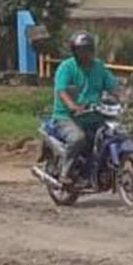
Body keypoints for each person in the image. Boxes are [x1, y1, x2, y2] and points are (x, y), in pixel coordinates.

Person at [52, 31, 118, 187]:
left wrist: (122, 98)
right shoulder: (66, 68)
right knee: (77, 138)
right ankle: (65, 173)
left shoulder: (98, 67)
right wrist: (73, 106)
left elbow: (112, 86)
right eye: (81, 49)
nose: (86, 53)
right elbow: (61, 91)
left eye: (88, 49)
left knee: (111, 135)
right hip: (67, 117)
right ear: (74, 51)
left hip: (94, 114)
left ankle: (99, 170)